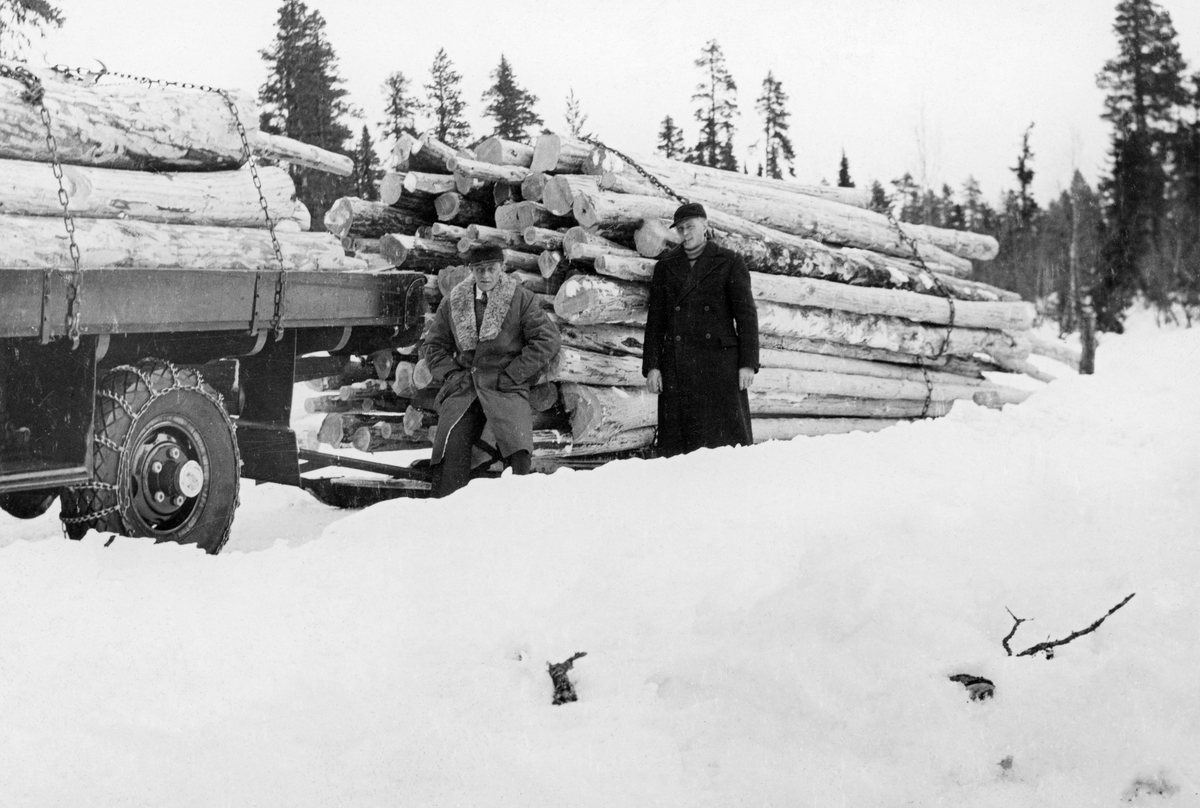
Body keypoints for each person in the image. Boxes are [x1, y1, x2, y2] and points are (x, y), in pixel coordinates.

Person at [423, 246, 561, 497]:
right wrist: (452, 374)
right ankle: (447, 511)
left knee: (518, 452)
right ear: (471, 271)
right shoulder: (454, 300)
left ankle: (515, 509)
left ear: (502, 268)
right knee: (451, 448)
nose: (485, 275)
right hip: (465, 387)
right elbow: (433, 346)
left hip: (505, 385)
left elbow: (548, 339)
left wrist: (515, 373)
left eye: (491, 269)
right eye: (479, 270)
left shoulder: (520, 298)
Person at [642, 202, 759, 457]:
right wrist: (652, 366)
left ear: (705, 226)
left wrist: (747, 364)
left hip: (720, 367)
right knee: (680, 455)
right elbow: (656, 322)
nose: (685, 233)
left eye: (690, 227)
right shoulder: (666, 267)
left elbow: (747, 316)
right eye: (681, 229)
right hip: (677, 367)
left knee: (726, 450)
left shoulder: (729, 261)